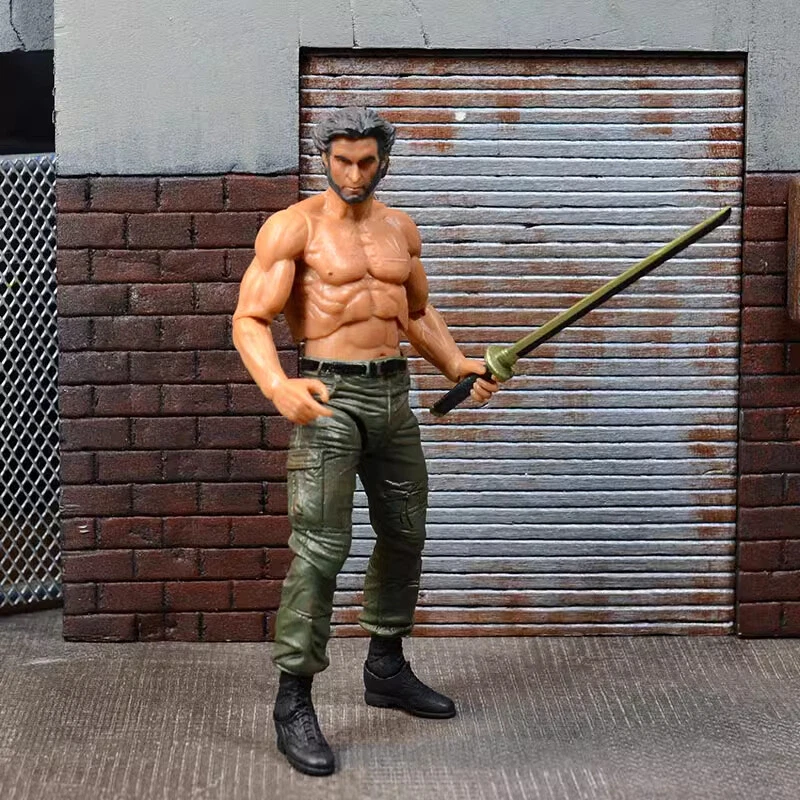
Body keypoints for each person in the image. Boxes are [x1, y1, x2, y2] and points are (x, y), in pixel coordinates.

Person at [232, 107, 499, 776]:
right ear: (325, 158)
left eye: (366, 161)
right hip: (329, 395)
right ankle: (293, 700)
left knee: (405, 533)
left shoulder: (400, 228)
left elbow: (414, 312)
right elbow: (250, 318)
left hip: (393, 396)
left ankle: (385, 667)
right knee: (321, 549)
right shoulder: (294, 227)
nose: (354, 174)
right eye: (342, 161)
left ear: (384, 161)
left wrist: (456, 363)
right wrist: (277, 386)